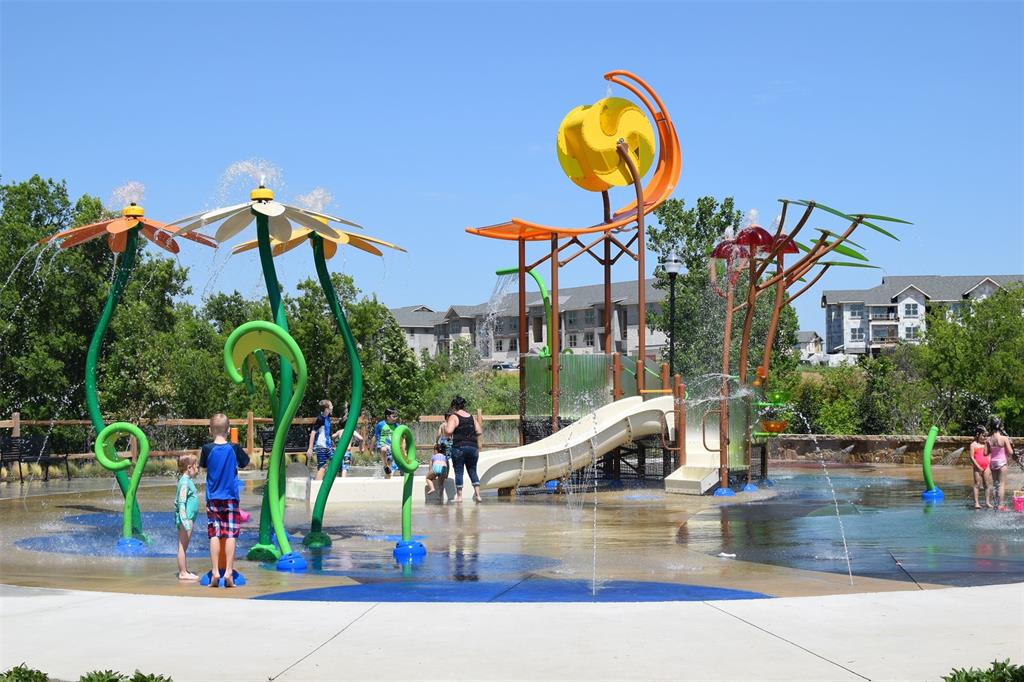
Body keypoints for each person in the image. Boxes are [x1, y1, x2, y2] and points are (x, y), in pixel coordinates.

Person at [200, 413, 250, 587]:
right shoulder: (234, 448)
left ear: (209, 430)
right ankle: (228, 572)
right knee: (230, 535)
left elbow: (204, 466)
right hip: (230, 498)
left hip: (213, 499)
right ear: (229, 430)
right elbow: (246, 462)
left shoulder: (206, 449)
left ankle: (215, 571)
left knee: (214, 534)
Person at [444, 396, 483, 504]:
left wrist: (447, 427)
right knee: (473, 471)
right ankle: (478, 495)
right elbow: (479, 431)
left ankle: (459, 496)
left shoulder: (454, 416)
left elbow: (449, 431)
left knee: (459, 472)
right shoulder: (471, 417)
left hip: (459, 447)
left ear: (453, 407)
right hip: (473, 448)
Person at [174, 453, 200, 581]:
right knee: (182, 547)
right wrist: (185, 521)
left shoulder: (187, 481)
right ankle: (183, 573)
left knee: (184, 546)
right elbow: (181, 503)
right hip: (186, 520)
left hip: (189, 519)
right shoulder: (184, 483)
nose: (198, 468)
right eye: (196, 466)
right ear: (189, 467)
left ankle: (184, 570)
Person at [307, 399, 343, 481]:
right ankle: (317, 485)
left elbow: (326, 434)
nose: (332, 407)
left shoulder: (327, 418)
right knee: (322, 466)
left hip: (327, 446)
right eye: (331, 406)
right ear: (327, 409)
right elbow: (313, 433)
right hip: (321, 447)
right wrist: (310, 448)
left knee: (338, 461)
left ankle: (336, 480)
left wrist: (331, 442)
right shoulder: (320, 419)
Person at [987, 416, 1015, 511]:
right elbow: (1011, 452)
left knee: (995, 484)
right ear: (1000, 426)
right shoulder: (1004, 438)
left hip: (993, 463)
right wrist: (1010, 445)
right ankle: (1001, 505)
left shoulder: (989, 439)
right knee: (1002, 484)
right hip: (1002, 463)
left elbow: (985, 453)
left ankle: (995, 504)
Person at [969, 426, 992, 510]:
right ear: (977, 435)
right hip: (977, 467)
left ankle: (987, 502)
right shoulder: (973, 445)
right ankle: (977, 503)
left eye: (985, 436)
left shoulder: (986, 444)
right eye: (983, 435)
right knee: (977, 484)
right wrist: (978, 467)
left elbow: (989, 454)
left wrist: (989, 464)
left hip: (986, 467)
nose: (984, 437)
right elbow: (971, 457)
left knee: (987, 484)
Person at [373, 408, 399, 479]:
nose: (396, 418)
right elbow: (375, 436)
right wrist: (371, 448)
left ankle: (387, 478)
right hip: (382, 444)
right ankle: (385, 465)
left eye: (396, 416)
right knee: (383, 449)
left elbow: (401, 438)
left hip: (391, 447)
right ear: (387, 417)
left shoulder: (397, 426)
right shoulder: (380, 424)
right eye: (394, 416)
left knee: (389, 470)